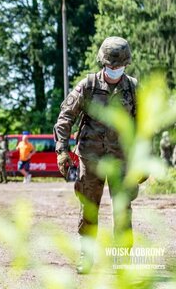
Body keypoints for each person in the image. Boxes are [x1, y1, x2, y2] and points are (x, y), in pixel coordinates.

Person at [54, 36, 139, 274]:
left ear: (126, 63)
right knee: (89, 208)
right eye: (110, 66)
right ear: (102, 62)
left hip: (122, 161)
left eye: (118, 65)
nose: (113, 69)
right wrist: (62, 151)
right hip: (90, 159)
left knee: (122, 210)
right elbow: (65, 118)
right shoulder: (88, 85)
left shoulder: (133, 88)